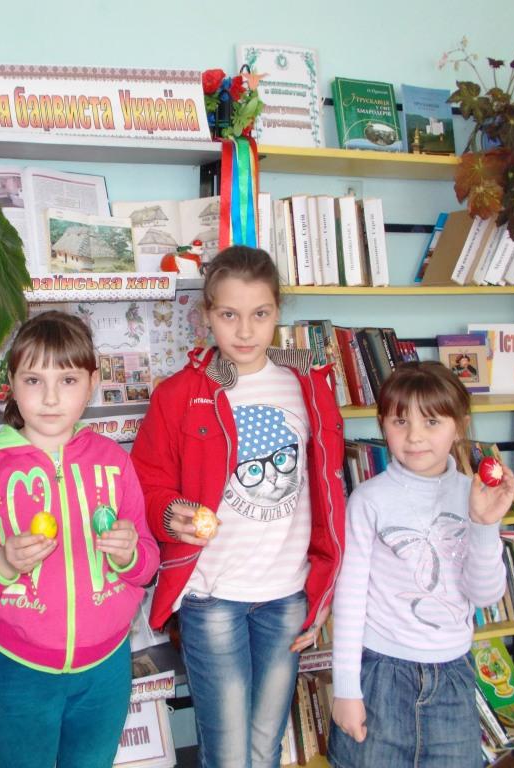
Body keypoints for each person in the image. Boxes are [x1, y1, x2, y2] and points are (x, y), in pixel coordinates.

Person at [131, 245, 346, 768]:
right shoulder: (179, 394)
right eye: (229, 315)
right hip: (213, 597)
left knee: (264, 747)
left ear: (277, 312)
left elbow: (327, 492)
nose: (245, 331)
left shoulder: (308, 386)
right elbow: (147, 480)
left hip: (287, 596)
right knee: (228, 755)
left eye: (260, 314)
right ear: (207, 314)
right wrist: (169, 515)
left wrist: (321, 590)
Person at [0, 310, 159, 768]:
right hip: (19, 673)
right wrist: (2, 565)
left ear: (92, 383)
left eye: (69, 380)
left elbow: (147, 565)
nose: (51, 398)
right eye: (34, 380)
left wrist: (129, 555)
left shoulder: (114, 461)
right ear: (11, 383)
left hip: (106, 672)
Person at [328, 361, 514, 768]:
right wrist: (345, 690)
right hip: (380, 673)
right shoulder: (369, 499)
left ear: (459, 426)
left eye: (431, 421)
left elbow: (485, 594)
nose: (414, 436)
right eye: (400, 421)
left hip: (452, 673)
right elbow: (349, 599)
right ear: (382, 424)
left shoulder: (475, 494)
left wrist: (485, 525)